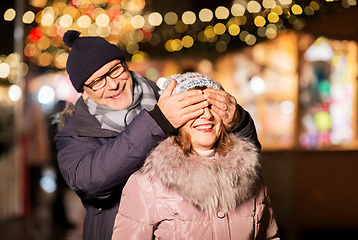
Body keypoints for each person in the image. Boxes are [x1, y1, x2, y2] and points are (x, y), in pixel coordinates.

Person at [55, 30, 261, 240]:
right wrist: (158, 122)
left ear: (125, 65)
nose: (113, 84)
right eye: (98, 81)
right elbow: (90, 182)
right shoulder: (74, 133)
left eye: (115, 69)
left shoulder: (169, 97)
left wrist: (239, 122)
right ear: (84, 92)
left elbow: (241, 164)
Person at [112, 72, 279, 240]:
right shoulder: (146, 184)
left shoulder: (249, 172)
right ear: (173, 118)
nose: (206, 115)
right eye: (194, 108)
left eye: (212, 106)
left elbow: (270, 236)